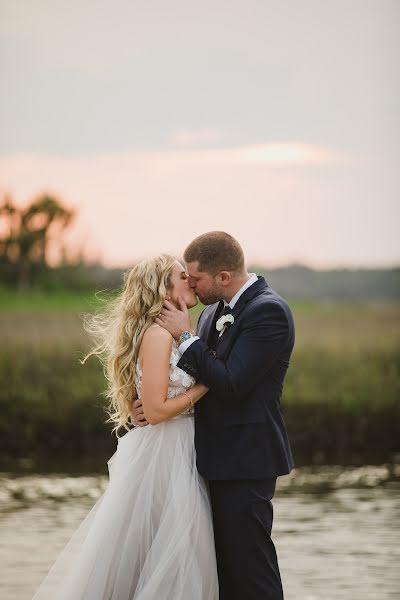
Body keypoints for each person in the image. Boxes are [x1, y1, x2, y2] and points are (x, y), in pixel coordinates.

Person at [32, 254, 219, 600]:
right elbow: (157, 410)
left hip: (182, 447)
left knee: (176, 553)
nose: (190, 282)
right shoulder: (158, 336)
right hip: (164, 454)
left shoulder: (179, 332)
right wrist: (204, 386)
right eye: (182, 276)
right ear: (163, 290)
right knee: (165, 551)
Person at [133, 231, 295, 600]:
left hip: (245, 461)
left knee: (251, 571)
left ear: (223, 277)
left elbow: (232, 382)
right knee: (220, 574)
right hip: (203, 461)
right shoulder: (210, 312)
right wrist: (146, 403)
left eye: (195, 278)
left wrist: (187, 339)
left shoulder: (268, 311)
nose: (189, 284)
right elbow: (191, 374)